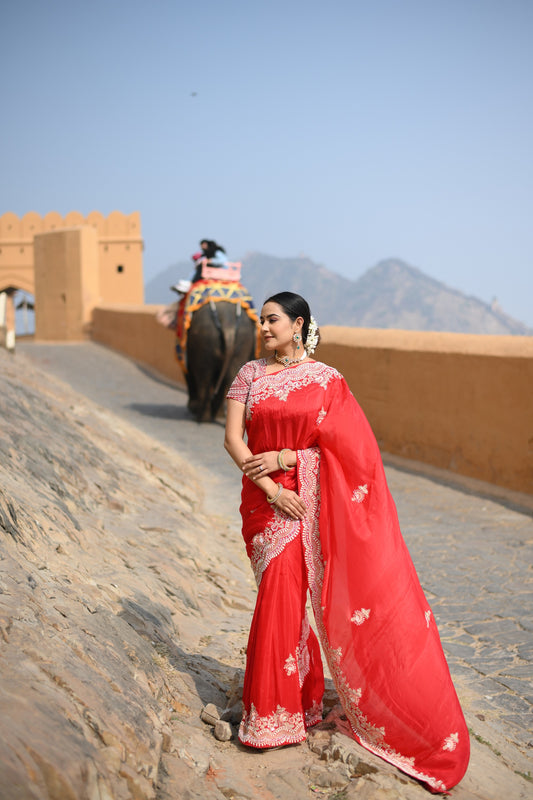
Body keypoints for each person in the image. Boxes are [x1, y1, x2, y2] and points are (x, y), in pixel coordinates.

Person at [224, 291, 469, 793]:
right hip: (263, 505)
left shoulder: (328, 381)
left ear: (298, 325)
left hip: (305, 505)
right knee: (278, 595)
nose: (264, 328)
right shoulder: (249, 374)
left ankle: (276, 713)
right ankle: (301, 695)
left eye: (272, 320)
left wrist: (288, 460)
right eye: (261, 320)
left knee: (282, 600)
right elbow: (233, 439)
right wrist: (270, 486)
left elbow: (352, 452)